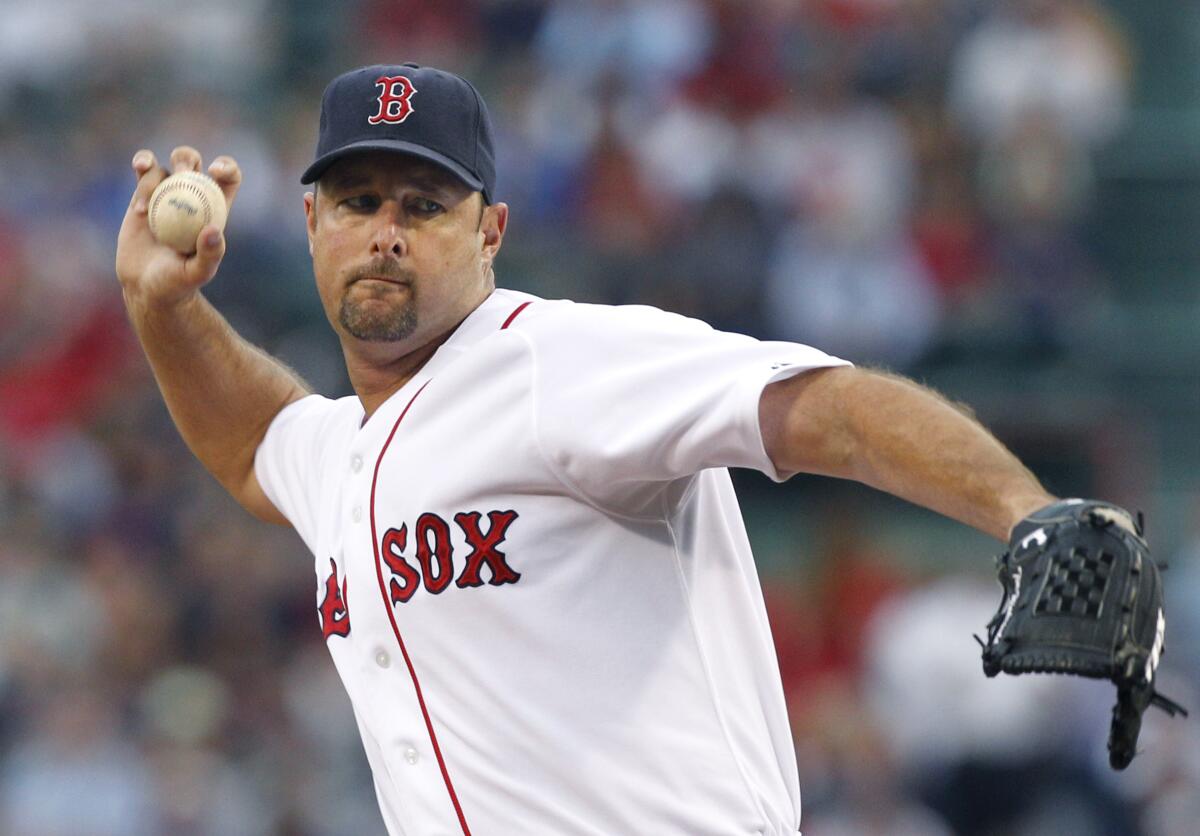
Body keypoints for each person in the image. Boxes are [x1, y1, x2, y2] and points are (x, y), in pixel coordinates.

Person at [116, 63, 1057, 835]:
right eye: (359, 201)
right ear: (314, 222)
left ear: (491, 232)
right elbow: (258, 444)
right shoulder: (342, 454)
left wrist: (1030, 514)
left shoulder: (558, 359)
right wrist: (165, 308)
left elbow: (837, 410)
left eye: (426, 204)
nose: (388, 234)